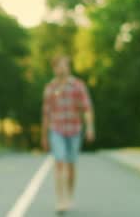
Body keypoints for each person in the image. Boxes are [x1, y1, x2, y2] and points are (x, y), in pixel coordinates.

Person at [41, 56, 95, 213]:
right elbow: (46, 114)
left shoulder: (78, 86)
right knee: (59, 162)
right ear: (54, 68)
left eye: (65, 65)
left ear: (69, 67)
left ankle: (69, 195)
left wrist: (90, 127)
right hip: (56, 130)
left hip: (75, 130)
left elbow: (87, 109)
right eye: (59, 66)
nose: (62, 68)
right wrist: (44, 136)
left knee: (71, 165)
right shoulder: (50, 88)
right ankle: (60, 200)